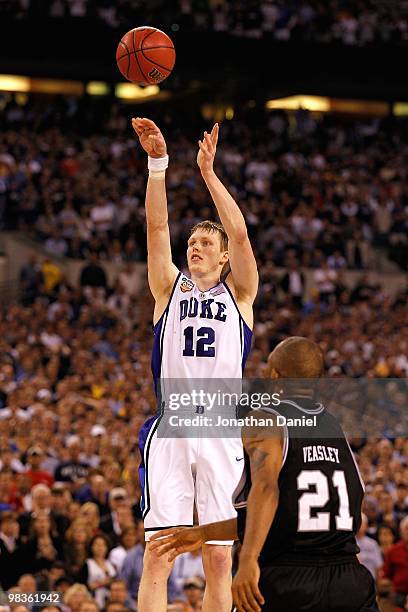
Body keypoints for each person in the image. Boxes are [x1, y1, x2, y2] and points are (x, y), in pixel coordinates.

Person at [150, 337, 379, 612]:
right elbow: (284, 515)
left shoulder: (265, 420)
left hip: (289, 580)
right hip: (349, 582)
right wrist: (204, 533)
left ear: (274, 376)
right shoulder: (335, 428)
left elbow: (266, 491)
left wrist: (248, 560)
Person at [132, 117, 258, 612]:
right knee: (158, 554)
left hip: (221, 431)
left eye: (207, 243)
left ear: (224, 258)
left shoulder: (241, 295)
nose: (196, 246)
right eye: (194, 242)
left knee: (218, 559)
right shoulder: (168, 288)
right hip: (174, 427)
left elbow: (242, 235)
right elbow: (157, 225)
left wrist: (208, 174)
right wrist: (158, 164)